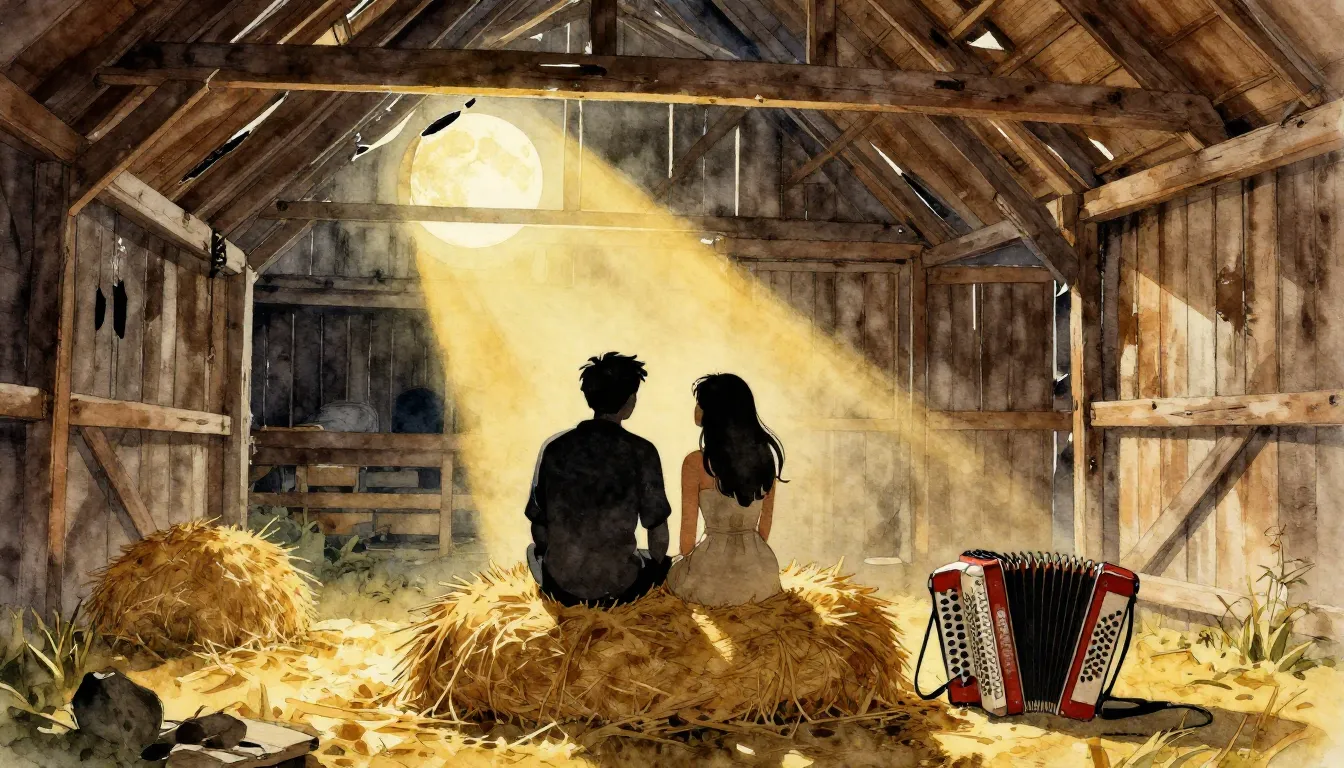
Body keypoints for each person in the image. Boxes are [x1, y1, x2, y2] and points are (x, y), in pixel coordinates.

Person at [525, 352, 672, 607]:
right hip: (620, 588)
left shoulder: (554, 447)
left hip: (562, 588)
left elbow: (539, 526)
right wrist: (656, 572)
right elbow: (658, 532)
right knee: (661, 561)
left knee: (532, 552)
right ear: (630, 400)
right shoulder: (642, 451)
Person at [667, 374, 784, 607]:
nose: (696, 408)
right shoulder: (764, 458)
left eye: (700, 403)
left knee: (670, 573)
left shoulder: (695, 462)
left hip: (711, 574)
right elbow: (765, 524)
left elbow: (687, 537)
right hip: (759, 575)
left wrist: (683, 561)